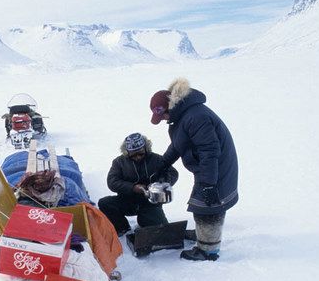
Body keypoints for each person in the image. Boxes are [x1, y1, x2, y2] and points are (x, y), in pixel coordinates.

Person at [150, 78, 238, 261]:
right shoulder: (183, 116)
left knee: (207, 207)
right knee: (203, 205)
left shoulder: (196, 117)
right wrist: (163, 163)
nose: (164, 120)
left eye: (163, 116)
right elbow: (178, 144)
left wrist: (208, 184)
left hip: (216, 167)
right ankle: (202, 235)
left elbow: (209, 151)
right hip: (208, 167)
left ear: (169, 108)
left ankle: (208, 250)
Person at [98, 132, 178, 236]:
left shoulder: (157, 159)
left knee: (160, 231)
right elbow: (112, 182)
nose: (138, 157)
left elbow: (173, 173)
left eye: (141, 154)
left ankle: (147, 220)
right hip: (127, 200)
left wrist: (161, 183)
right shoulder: (119, 162)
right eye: (133, 155)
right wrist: (132, 187)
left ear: (146, 148)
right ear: (127, 152)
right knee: (105, 203)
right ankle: (122, 228)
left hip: (150, 202)